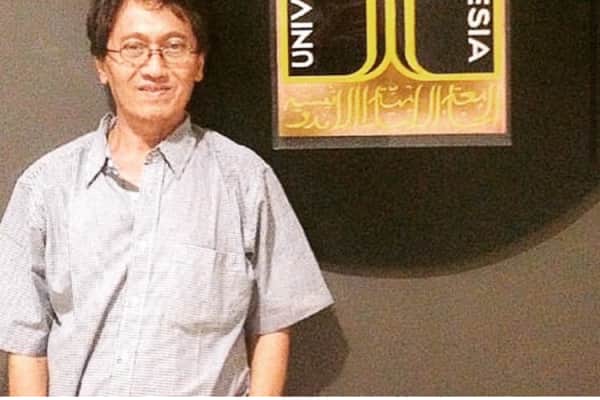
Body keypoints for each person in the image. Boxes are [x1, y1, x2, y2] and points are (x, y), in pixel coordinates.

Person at [0, 0, 333, 395]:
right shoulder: (45, 187)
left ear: (199, 63)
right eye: (133, 48)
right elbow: (25, 343)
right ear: (102, 65)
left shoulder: (245, 180)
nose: (155, 68)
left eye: (174, 47)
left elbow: (274, 326)